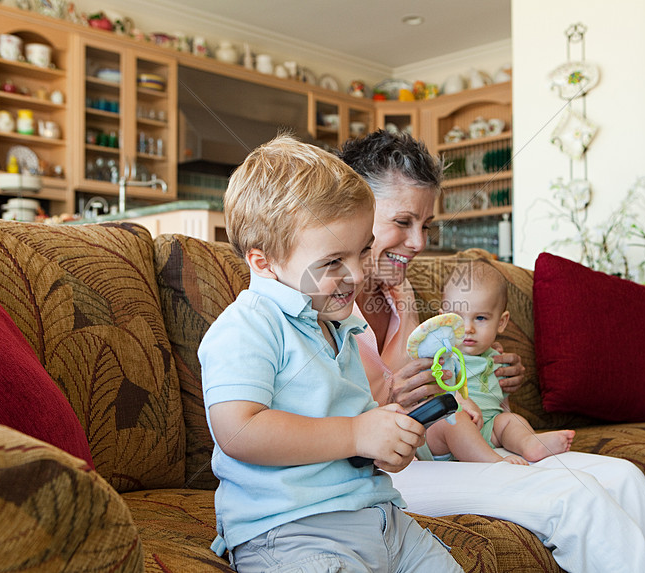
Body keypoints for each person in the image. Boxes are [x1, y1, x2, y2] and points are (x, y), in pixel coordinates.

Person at [338, 129, 645, 572]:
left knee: (623, 477)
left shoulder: (401, 291)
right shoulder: (320, 296)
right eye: (403, 223)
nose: (419, 243)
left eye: (425, 225)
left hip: (439, 452)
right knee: (573, 499)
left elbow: (448, 375)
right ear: (354, 207)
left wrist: (486, 370)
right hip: (381, 473)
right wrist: (391, 400)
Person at [198, 135, 462, 572]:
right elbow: (238, 431)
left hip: (380, 519)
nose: (357, 274)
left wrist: (384, 444)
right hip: (291, 532)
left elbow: (354, 425)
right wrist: (355, 434)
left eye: (360, 252)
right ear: (263, 262)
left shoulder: (338, 323)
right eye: (333, 262)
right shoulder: (247, 326)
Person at [423, 259, 574, 465]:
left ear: (501, 322)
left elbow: (502, 404)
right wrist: (458, 399)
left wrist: (508, 423)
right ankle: (494, 462)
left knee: (513, 420)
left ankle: (529, 444)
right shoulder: (441, 356)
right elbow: (429, 390)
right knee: (456, 420)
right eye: (458, 317)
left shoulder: (497, 360)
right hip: (445, 434)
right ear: (443, 320)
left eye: (481, 318)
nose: (468, 328)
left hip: (487, 428)